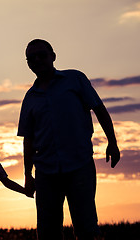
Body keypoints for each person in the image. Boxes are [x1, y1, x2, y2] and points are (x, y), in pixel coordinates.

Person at [17, 39, 120, 240]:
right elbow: (28, 139)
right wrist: (28, 175)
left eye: (42, 55)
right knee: (48, 232)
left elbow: (99, 109)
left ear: (53, 56)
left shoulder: (75, 79)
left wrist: (113, 143)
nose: (37, 60)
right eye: (31, 58)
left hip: (79, 165)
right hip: (46, 172)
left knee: (86, 227)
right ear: (28, 63)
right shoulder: (30, 98)